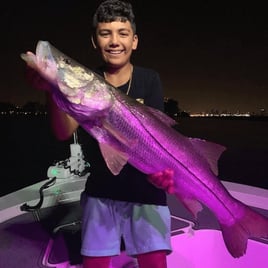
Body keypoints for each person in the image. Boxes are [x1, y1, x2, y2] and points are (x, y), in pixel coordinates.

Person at [24, 1, 174, 267]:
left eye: (122, 33)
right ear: (95, 41)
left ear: (135, 41)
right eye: (105, 33)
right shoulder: (86, 80)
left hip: (146, 194)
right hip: (101, 192)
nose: (114, 41)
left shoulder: (149, 79)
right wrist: (52, 89)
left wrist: (163, 174)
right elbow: (63, 131)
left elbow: (159, 137)